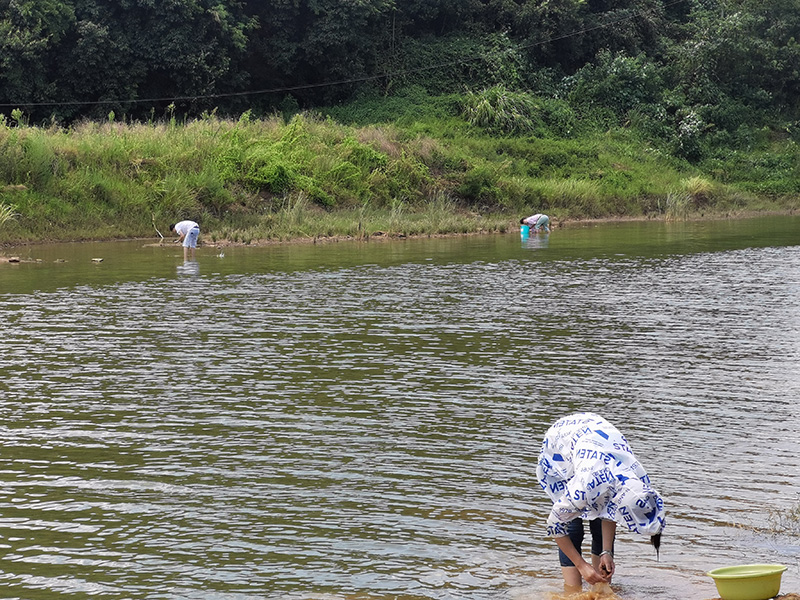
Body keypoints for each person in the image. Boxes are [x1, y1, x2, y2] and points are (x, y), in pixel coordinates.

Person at [537, 412, 665, 591]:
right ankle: (572, 591)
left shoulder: (639, 483)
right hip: (561, 445)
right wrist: (582, 566)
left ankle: (600, 589)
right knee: (573, 529)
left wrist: (607, 552)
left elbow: (613, 509)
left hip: (599, 443)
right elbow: (554, 526)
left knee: (599, 528)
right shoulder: (582, 488)